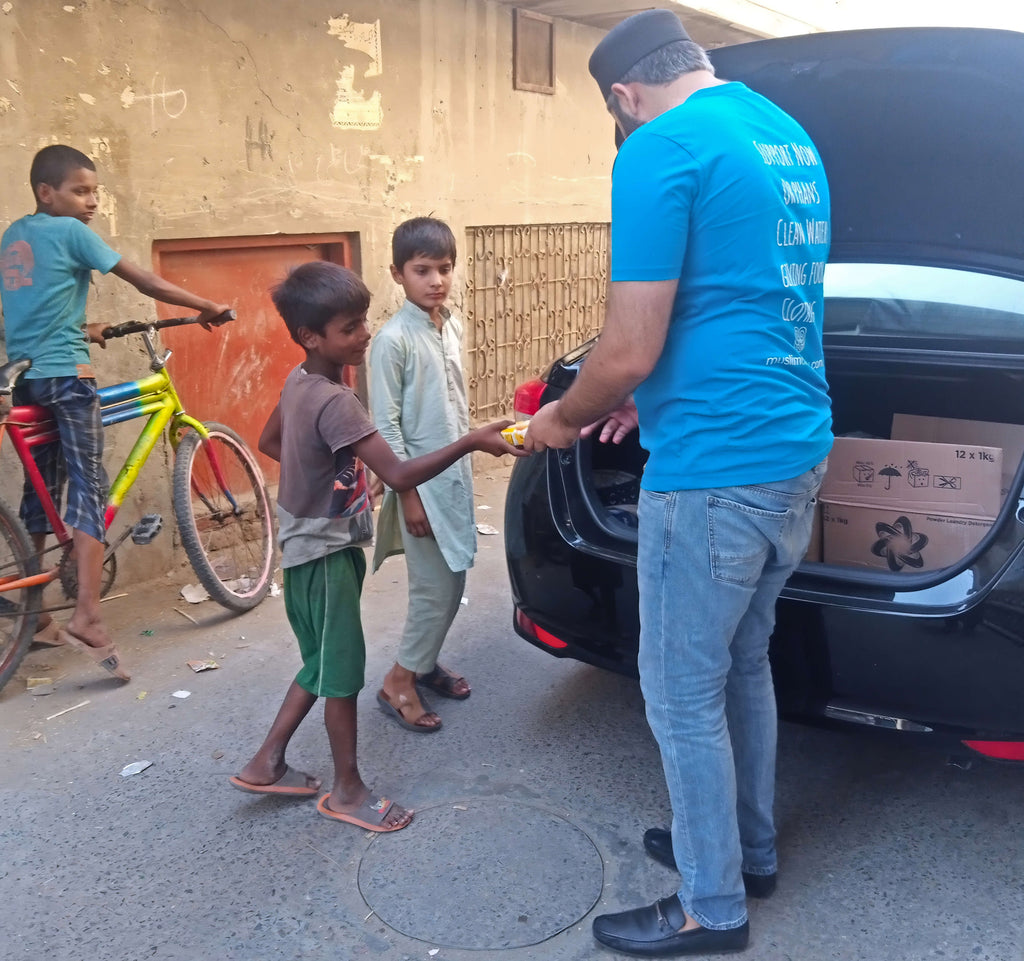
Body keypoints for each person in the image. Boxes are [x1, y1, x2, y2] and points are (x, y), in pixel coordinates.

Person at [524, 11, 832, 956]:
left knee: (678, 692)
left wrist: (564, 415)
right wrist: (644, 398)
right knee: (742, 662)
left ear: (623, 97)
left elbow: (628, 343)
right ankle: (745, 848)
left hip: (712, 474)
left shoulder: (659, 147)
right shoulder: (788, 137)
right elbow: (738, 301)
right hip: (793, 451)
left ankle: (711, 903)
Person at [230, 261, 522, 830]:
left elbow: (270, 439)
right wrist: (472, 440)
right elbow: (401, 474)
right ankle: (347, 791)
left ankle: (266, 762)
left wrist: (318, 476)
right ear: (311, 336)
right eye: (349, 328)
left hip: (302, 546)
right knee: (340, 673)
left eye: (363, 321)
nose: (364, 334)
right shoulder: (338, 401)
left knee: (320, 660)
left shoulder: (302, 381)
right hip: (326, 553)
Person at [0, 144, 230, 680]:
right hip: (68, 378)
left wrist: (88, 328)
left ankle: (33, 617)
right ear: (46, 192)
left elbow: (33, 308)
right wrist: (205, 306)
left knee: (42, 492)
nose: (92, 203)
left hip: (29, 378)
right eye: (81, 191)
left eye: (95, 192)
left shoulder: (14, 237)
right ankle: (87, 615)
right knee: (89, 489)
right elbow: (144, 281)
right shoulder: (73, 234)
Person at [368, 217, 474, 733]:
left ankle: (425, 663)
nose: (436, 280)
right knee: (435, 588)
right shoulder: (392, 341)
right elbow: (385, 427)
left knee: (453, 578)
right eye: (423, 270)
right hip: (419, 486)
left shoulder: (450, 324)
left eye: (445, 269)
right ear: (397, 274)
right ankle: (398, 681)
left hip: (454, 478)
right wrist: (407, 496)